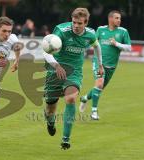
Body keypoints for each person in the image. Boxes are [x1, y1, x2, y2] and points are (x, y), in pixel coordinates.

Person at [43, 8, 103, 150]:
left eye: (79, 23)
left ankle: (66, 139)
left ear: (85, 23)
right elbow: (46, 52)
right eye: (74, 22)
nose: (76, 25)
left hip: (74, 72)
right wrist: (56, 66)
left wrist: (100, 65)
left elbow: (97, 46)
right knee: (50, 107)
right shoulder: (61, 30)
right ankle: (50, 121)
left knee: (70, 98)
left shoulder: (90, 34)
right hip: (55, 70)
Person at [79, 10, 131, 120]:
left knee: (99, 88)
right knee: (99, 84)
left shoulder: (123, 32)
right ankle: (94, 112)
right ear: (110, 19)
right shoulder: (101, 29)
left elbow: (129, 47)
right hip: (98, 63)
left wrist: (116, 43)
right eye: (117, 18)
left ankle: (84, 98)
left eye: (120, 18)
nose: (119, 20)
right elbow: (93, 42)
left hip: (112, 66)